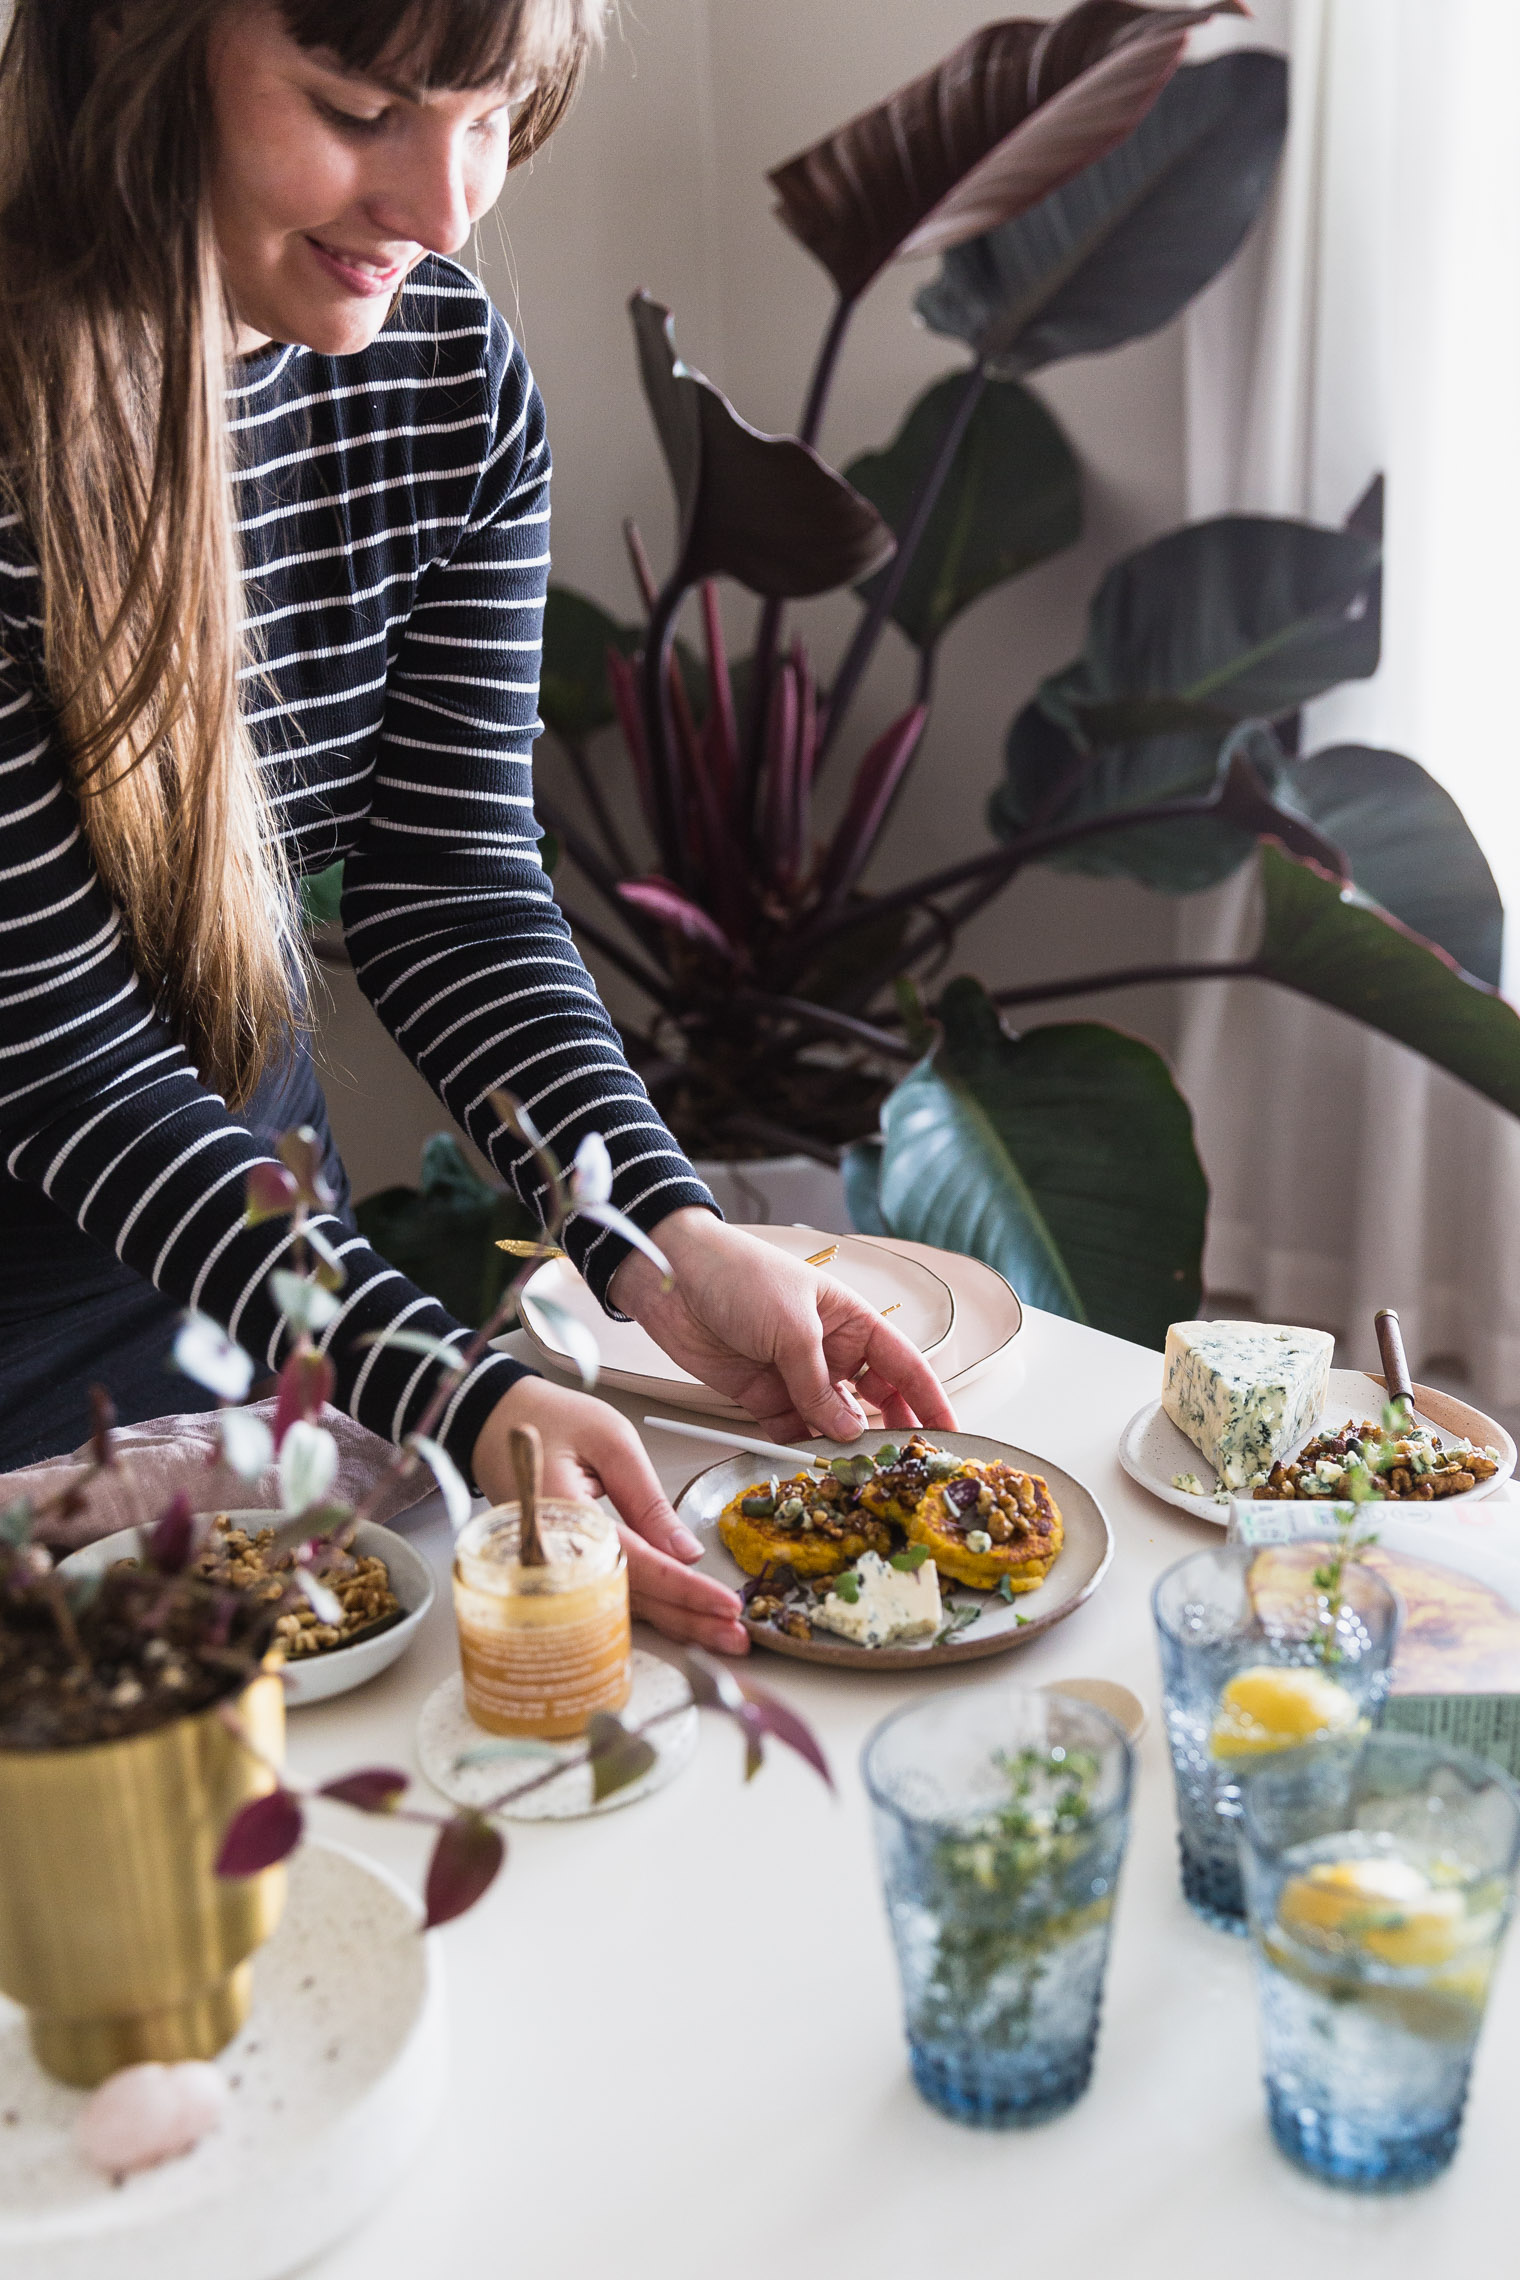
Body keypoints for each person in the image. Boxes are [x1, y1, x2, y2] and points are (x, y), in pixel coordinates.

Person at [0, 0, 955, 1654]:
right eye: (356, 106)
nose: (445, 213)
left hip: (236, 1304)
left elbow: (448, 888)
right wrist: (442, 1379)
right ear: (138, 48)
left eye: (488, 111)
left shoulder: (440, 378)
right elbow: (56, 1045)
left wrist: (658, 1235)